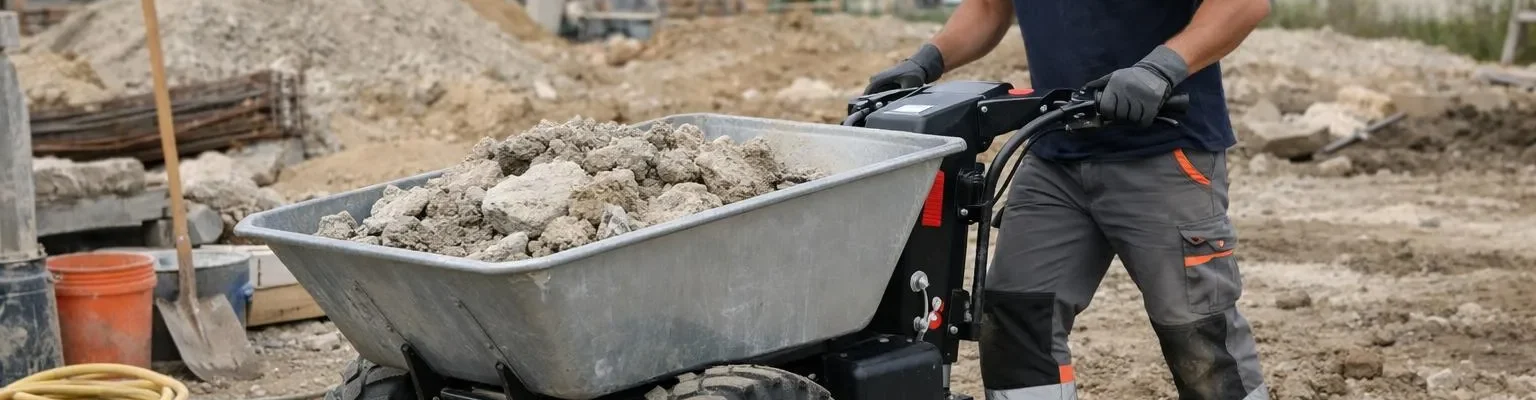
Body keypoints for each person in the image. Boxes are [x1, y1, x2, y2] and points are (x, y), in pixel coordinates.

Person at [862, 0, 1273, 399]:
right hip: (1054, 155)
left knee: (1198, 335)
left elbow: (1243, 4)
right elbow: (989, 8)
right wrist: (927, 61)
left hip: (1165, 151)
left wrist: (1161, 67)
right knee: (1016, 318)